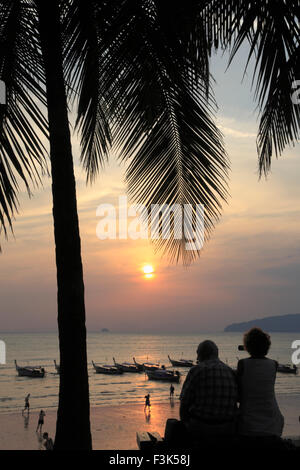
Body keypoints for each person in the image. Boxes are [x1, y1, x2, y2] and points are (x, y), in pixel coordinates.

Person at [179, 340, 238, 440]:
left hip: (202, 428)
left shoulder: (197, 370)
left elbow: (184, 403)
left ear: (203, 354)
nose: (197, 358)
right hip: (228, 430)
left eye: (198, 354)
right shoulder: (230, 371)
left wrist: (186, 424)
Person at [237, 328, 284, 442]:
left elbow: (239, 393)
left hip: (248, 425)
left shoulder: (243, 364)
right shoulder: (274, 364)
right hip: (272, 423)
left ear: (248, 346)